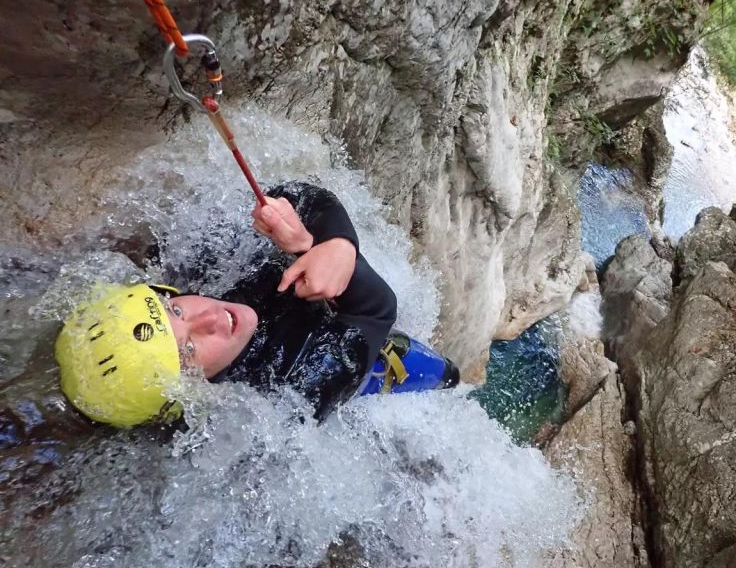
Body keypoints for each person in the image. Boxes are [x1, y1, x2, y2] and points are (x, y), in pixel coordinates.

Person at [55, 182, 458, 428]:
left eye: (175, 312)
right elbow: (377, 312)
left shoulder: (203, 266)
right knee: (441, 375)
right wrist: (342, 259)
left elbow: (298, 194)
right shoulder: (290, 393)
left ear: (167, 293)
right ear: (193, 392)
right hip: (353, 365)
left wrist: (319, 241)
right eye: (189, 350)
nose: (211, 317)